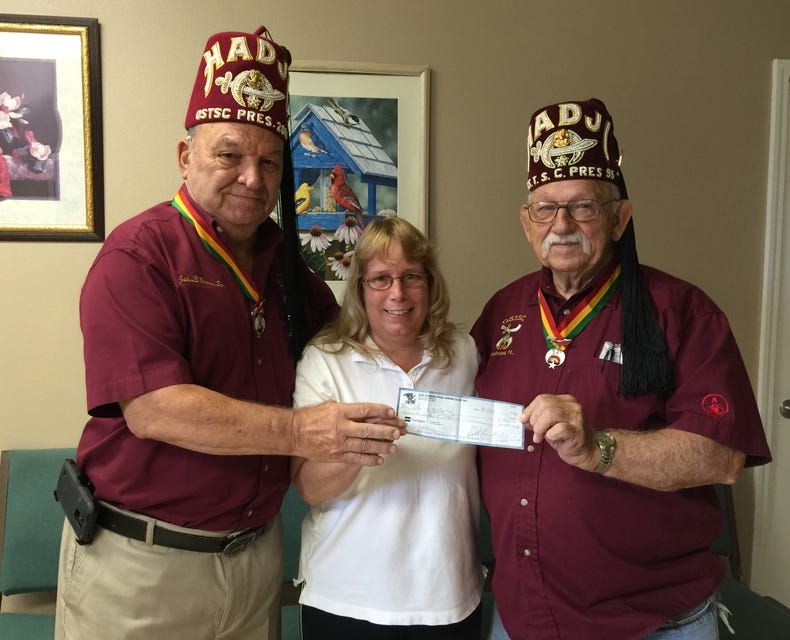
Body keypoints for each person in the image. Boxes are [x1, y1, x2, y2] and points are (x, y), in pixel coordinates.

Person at [55, 25, 404, 640]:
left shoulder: (290, 269)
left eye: (270, 161)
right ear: (185, 156)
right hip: (142, 565)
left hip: (253, 563)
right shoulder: (139, 256)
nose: (251, 176)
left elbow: (357, 344)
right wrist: (301, 431)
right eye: (229, 154)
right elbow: (155, 410)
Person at [471, 98, 772, 640]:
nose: (561, 224)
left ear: (619, 217)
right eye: (545, 208)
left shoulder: (681, 311)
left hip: (653, 623)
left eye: (583, 206)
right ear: (525, 222)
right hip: (523, 617)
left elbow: (722, 456)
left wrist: (599, 449)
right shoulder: (501, 311)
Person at [291, 217, 486, 639]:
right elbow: (308, 486)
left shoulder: (464, 353)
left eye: (410, 276)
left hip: (448, 594)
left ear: (430, 283)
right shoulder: (325, 360)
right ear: (360, 288)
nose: (397, 293)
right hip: (346, 597)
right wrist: (356, 448)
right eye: (380, 279)